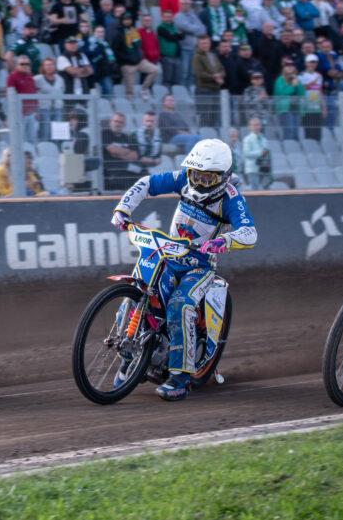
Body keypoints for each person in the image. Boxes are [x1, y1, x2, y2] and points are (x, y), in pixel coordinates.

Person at [110, 138, 257, 401]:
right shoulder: (181, 179)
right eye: (195, 175)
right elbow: (146, 184)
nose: (199, 183)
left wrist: (223, 241)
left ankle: (180, 378)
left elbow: (250, 233)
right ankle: (128, 357)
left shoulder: (230, 198)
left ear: (223, 177)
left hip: (199, 266)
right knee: (137, 290)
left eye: (207, 178)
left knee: (180, 304)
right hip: (168, 254)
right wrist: (123, 209)